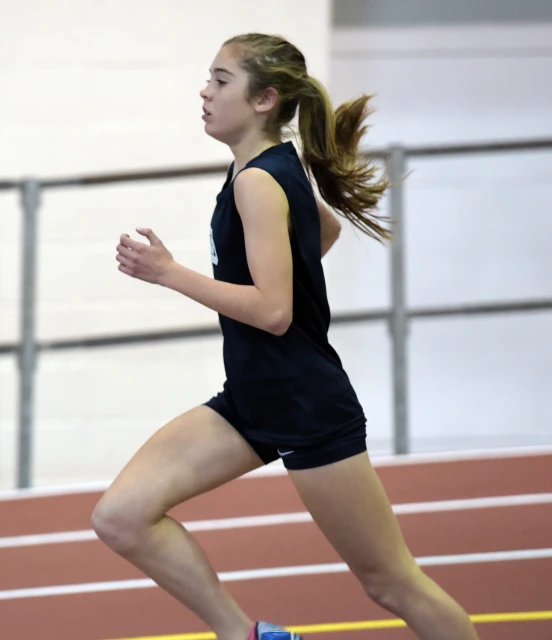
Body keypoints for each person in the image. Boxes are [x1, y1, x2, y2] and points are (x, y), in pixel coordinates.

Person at [93, 33, 480, 640]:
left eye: (221, 81)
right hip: (252, 398)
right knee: (121, 516)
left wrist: (171, 274)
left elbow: (274, 313)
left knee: (391, 582)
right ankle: (247, 635)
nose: (205, 91)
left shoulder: (258, 181)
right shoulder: (265, 167)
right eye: (208, 78)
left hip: (305, 406)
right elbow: (319, 235)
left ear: (264, 99)